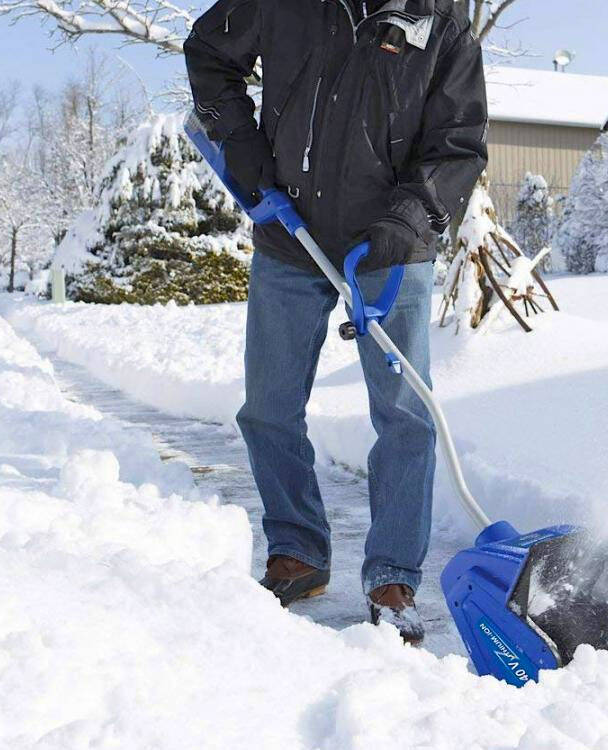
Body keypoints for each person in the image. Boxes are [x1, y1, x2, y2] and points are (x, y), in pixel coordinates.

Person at [184, 0, 488, 644]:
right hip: (287, 233)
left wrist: (410, 218)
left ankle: (392, 575)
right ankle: (297, 551)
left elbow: (458, 142)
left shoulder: (440, 23)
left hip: (388, 247)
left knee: (404, 416)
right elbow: (210, 53)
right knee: (269, 406)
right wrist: (240, 142)